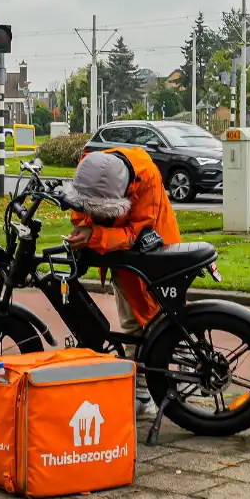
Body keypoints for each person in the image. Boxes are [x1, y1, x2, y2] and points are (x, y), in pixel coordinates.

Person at [62, 146, 182, 415]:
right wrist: (85, 225)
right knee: (132, 321)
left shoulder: (146, 178)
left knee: (144, 322)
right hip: (118, 253)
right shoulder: (92, 167)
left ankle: (144, 393)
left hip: (152, 251)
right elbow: (83, 207)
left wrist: (93, 235)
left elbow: (136, 232)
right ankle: (142, 387)